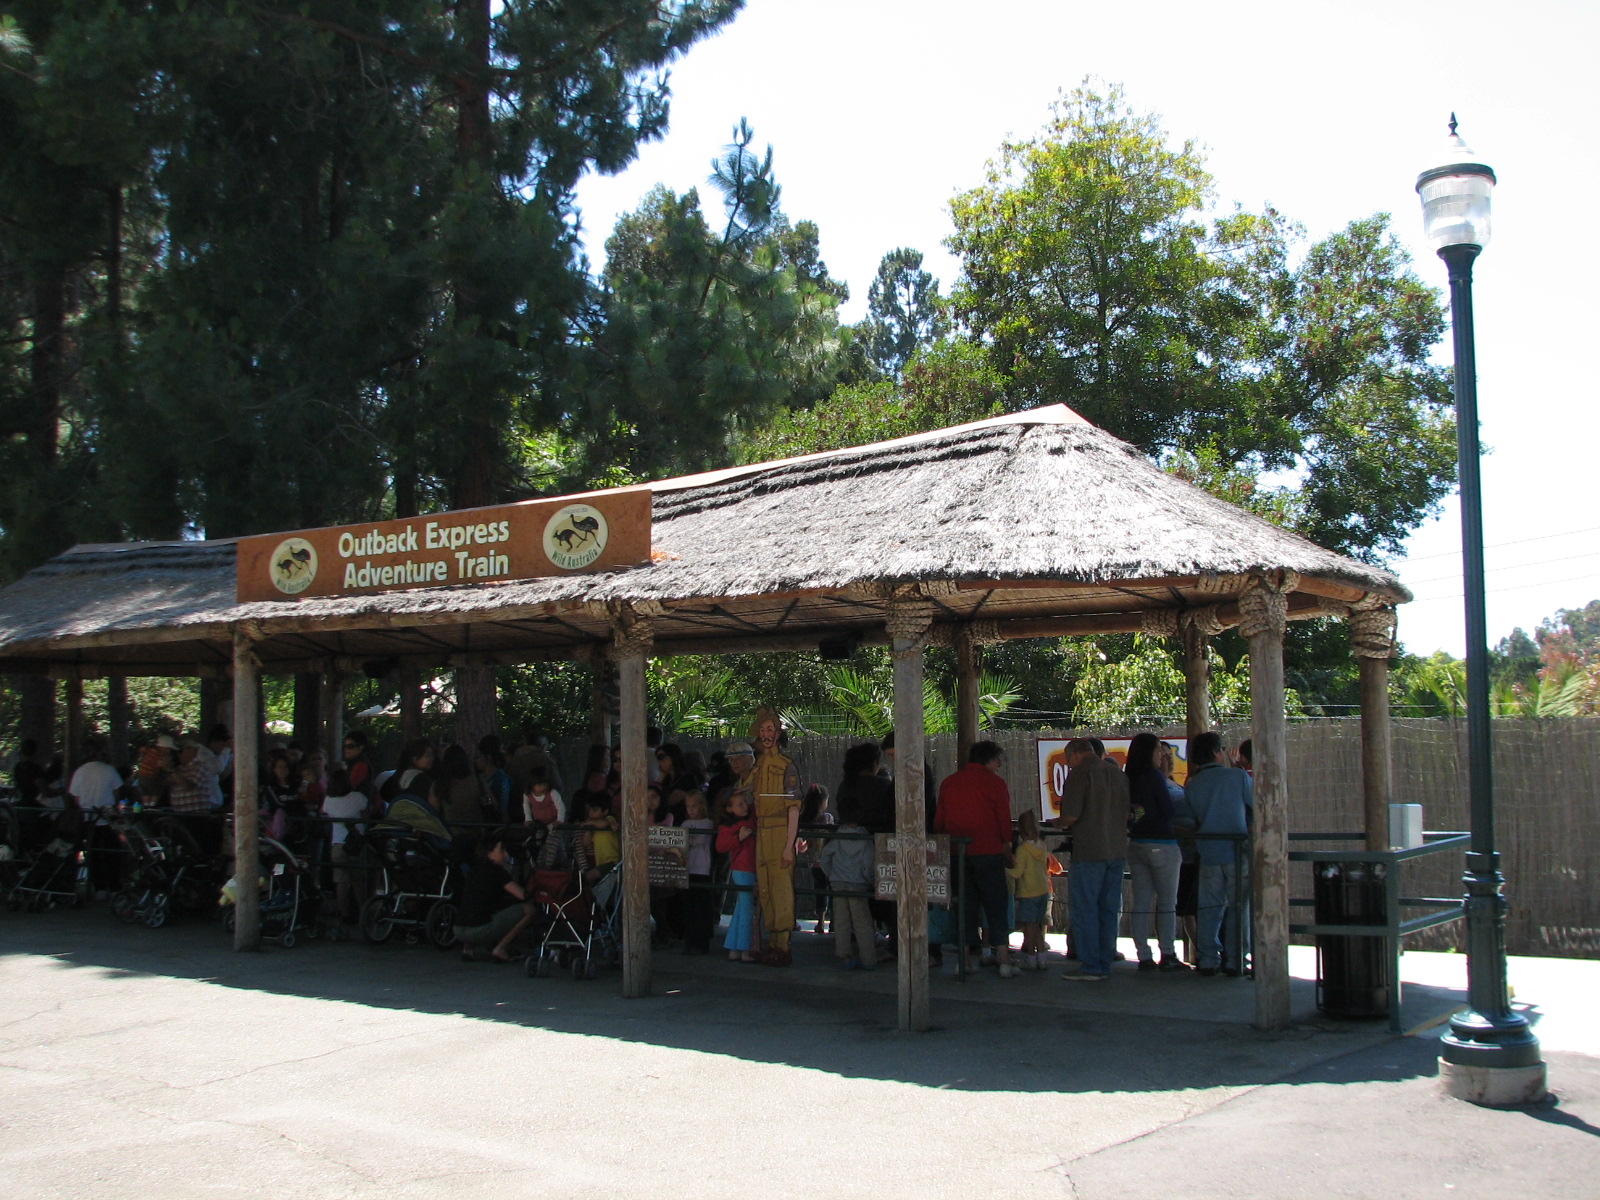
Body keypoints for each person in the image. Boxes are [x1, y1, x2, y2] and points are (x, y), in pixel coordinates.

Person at [934, 740, 1018, 978]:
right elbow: (1003, 818)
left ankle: (965, 959)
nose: (999, 764)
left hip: (957, 851)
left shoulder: (949, 783)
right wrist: (1007, 846)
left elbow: (940, 820)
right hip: (989, 851)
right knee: (996, 903)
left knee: (964, 905)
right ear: (990, 760)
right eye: (998, 760)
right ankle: (1002, 957)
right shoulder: (995, 783)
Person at [1174, 730, 1254, 977]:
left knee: (1209, 906)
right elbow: (1255, 806)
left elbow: (1184, 820)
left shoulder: (1193, 784)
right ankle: (1236, 957)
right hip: (1237, 850)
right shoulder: (1238, 778)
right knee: (1238, 906)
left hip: (1208, 851)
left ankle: (1207, 957)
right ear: (1216, 752)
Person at [1057, 736, 1129, 982]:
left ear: (1075, 755)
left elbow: (1071, 816)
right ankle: (1105, 959)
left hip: (1089, 851)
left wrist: (1058, 822)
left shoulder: (1079, 774)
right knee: (1108, 909)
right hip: (1117, 850)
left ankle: (1091, 965)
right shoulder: (1118, 774)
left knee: (1086, 909)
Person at [1124, 732, 1185, 972]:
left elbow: (1134, 812)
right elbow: (1168, 809)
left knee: (1141, 901)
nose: (1162, 755)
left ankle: (1143, 953)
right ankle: (1167, 952)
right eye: (1159, 750)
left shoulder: (1129, 778)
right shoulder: (1154, 777)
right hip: (1162, 841)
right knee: (1167, 901)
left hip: (1137, 841)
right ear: (1150, 753)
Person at [454, 834, 536, 962]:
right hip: (478, 930)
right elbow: (523, 895)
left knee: (474, 905)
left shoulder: (474, 870)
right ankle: (500, 949)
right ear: (489, 853)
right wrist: (535, 883)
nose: (506, 855)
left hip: (458, 929)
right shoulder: (498, 872)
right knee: (530, 909)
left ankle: (468, 949)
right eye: (501, 850)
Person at [820, 798, 876, 970]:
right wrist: (870, 880)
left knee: (842, 922)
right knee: (862, 924)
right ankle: (868, 960)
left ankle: (844, 956)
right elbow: (868, 863)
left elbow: (825, 856)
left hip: (837, 883)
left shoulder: (837, 836)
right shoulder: (865, 838)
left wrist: (830, 874)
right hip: (858, 885)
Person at [68, 738, 124, 897]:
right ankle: (114, 886)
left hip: (89, 818)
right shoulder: (109, 770)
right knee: (111, 853)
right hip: (107, 818)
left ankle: (99, 886)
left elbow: (76, 797)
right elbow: (116, 793)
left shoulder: (80, 772)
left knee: (93, 854)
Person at [1006, 810, 1056, 970]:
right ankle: (1042, 957)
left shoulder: (1022, 849)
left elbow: (1018, 872)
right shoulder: (1042, 846)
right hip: (1043, 890)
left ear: (1020, 829)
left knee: (1029, 928)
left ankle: (1031, 957)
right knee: (1038, 925)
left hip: (1028, 892)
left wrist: (1003, 870)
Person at [716, 788, 759, 963]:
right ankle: (744, 948)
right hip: (743, 869)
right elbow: (721, 845)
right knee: (747, 910)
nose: (744, 806)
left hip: (746, 868)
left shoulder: (748, 819)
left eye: (744, 802)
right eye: (739, 804)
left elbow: (755, 809)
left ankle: (733, 947)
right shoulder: (728, 826)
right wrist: (738, 838)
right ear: (729, 809)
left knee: (741, 909)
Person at [321, 767, 368, 924]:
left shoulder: (328, 801)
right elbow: (367, 811)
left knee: (340, 880)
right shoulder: (357, 797)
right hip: (356, 843)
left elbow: (323, 812)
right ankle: (363, 911)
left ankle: (344, 914)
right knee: (358, 880)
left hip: (338, 843)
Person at [679, 791, 716, 955]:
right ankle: (689, 939)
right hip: (687, 867)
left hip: (701, 868)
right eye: (688, 807)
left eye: (694, 806)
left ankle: (702, 941)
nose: (691, 810)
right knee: (689, 907)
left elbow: (701, 840)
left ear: (701, 806)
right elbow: (679, 841)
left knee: (701, 906)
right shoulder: (685, 823)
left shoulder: (707, 823)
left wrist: (688, 840)